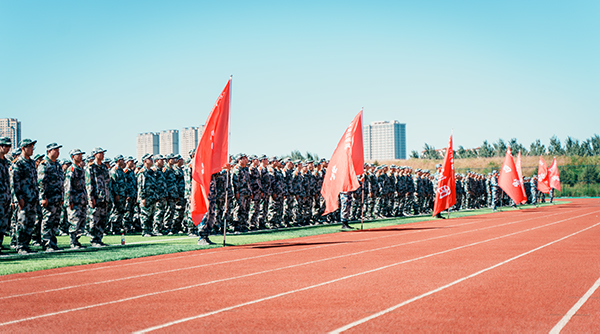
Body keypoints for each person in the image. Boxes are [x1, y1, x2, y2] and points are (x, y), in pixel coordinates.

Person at [11, 139, 40, 255]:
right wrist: (18, 198)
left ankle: (26, 245)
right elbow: (15, 182)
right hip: (23, 198)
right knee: (22, 222)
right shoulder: (18, 163)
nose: (32, 149)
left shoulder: (31, 163)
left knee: (30, 222)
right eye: (30, 147)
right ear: (23, 148)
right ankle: (20, 246)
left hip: (32, 198)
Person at [37, 143, 65, 251]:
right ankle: (47, 244)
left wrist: (62, 197)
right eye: (55, 150)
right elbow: (41, 183)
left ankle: (53, 243)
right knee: (47, 221)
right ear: (49, 151)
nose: (58, 152)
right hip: (49, 199)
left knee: (55, 222)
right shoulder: (44, 165)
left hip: (57, 198)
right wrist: (43, 197)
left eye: (58, 150)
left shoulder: (57, 164)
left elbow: (61, 182)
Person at [85, 147, 111, 247]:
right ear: (95, 154)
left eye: (103, 153)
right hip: (96, 197)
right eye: (100, 153)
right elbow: (89, 184)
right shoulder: (91, 167)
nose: (102, 155)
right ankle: (93, 240)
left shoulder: (104, 167)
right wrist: (91, 198)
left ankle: (99, 239)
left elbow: (107, 182)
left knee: (102, 219)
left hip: (104, 197)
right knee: (94, 220)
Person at [64, 149, 88, 249]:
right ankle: (73, 242)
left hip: (81, 200)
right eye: (78, 155)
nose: (81, 156)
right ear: (73, 157)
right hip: (74, 200)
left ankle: (77, 241)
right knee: (74, 221)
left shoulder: (81, 169)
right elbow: (67, 186)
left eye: (81, 155)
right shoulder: (71, 170)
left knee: (81, 221)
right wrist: (69, 200)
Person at [137, 154, 157, 237]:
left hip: (152, 196)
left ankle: (149, 230)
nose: (151, 160)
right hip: (146, 197)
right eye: (149, 159)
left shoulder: (151, 172)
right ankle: (145, 231)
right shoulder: (143, 172)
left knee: (151, 214)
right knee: (145, 214)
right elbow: (141, 186)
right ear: (145, 161)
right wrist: (143, 198)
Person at [0, 137, 12, 253]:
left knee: (3, 223)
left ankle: (0, 244)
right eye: (5, 146)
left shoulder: (7, 163)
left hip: (6, 197)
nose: (7, 148)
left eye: (9, 146)